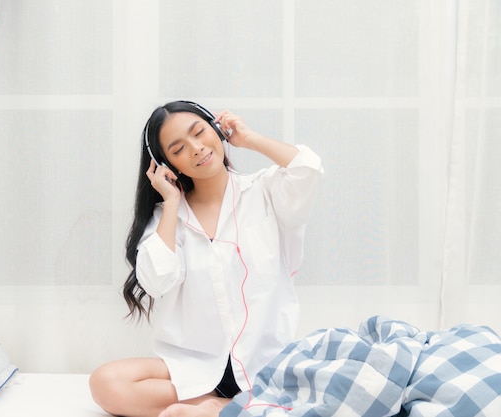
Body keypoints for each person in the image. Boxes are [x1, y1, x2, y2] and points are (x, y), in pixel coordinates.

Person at [89, 100, 324, 417]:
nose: (197, 149)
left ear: (216, 129)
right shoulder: (164, 220)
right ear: (167, 165)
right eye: (178, 149)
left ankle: (225, 408)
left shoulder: (265, 191)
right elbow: (157, 281)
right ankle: (229, 406)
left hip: (264, 363)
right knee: (106, 383)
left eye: (199, 132)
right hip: (196, 369)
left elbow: (307, 167)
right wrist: (171, 202)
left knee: (329, 380)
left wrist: (248, 138)